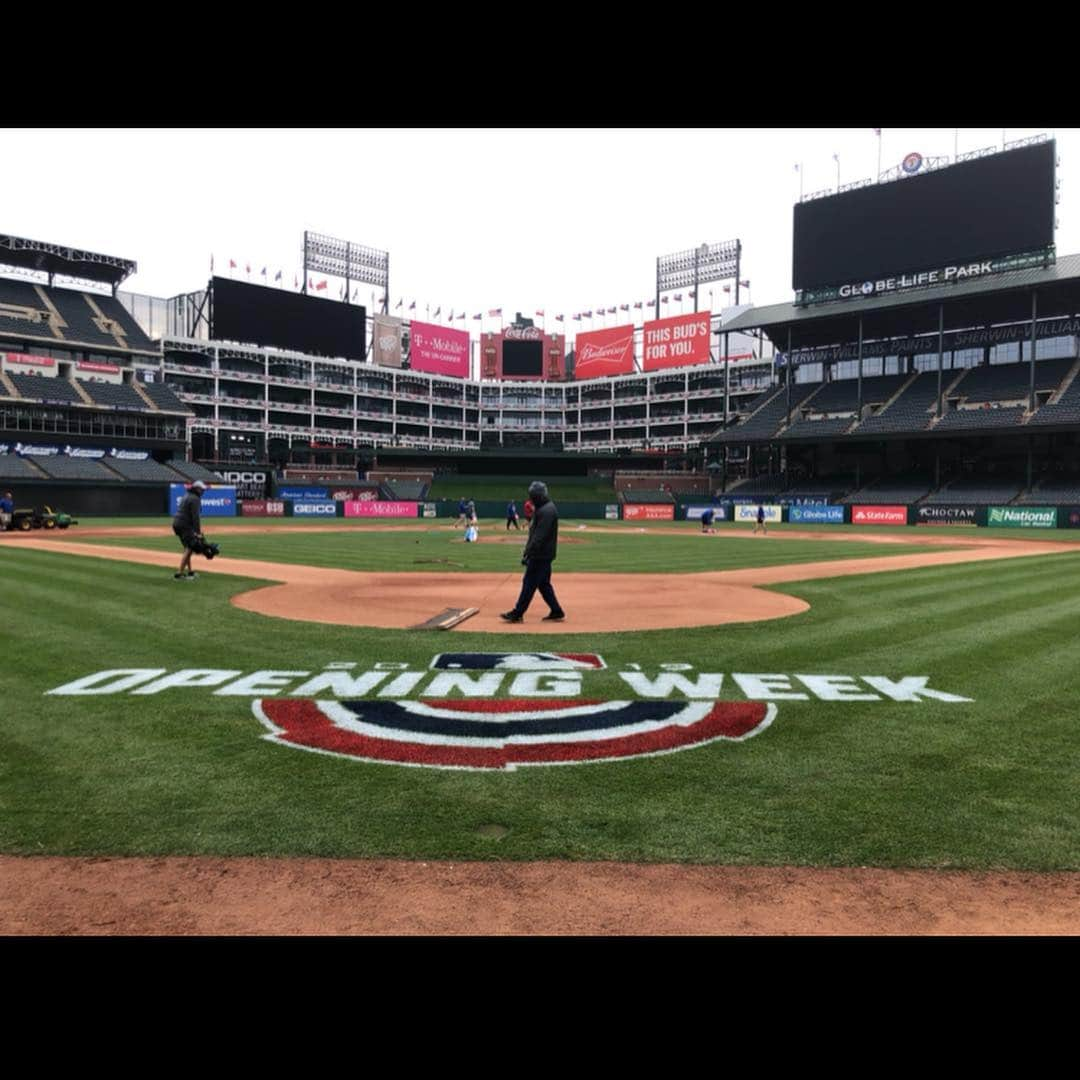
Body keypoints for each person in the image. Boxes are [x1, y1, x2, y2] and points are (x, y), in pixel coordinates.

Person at [501, 480, 565, 623]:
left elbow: (539, 537)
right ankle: (557, 611)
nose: (531, 499)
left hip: (541, 555)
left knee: (529, 583)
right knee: (543, 584)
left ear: (539, 496)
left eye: (533, 496)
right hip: (543, 553)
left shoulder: (547, 511)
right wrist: (528, 551)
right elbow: (534, 533)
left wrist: (528, 553)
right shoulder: (544, 508)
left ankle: (518, 613)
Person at [172, 480, 207, 579]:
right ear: (197, 489)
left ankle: (190, 571)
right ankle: (179, 573)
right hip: (184, 525)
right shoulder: (195, 498)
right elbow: (195, 517)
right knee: (190, 547)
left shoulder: (187, 495)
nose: (203, 491)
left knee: (187, 548)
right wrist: (198, 533)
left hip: (177, 524)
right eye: (201, 489)